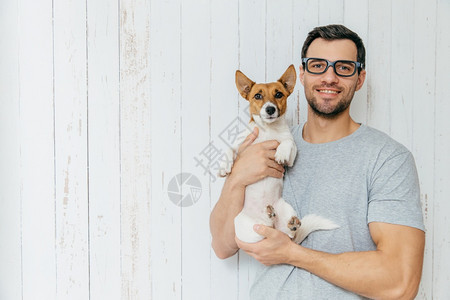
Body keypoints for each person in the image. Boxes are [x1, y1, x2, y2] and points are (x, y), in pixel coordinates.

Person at [209, 24, 425, 300]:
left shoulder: (388, 159)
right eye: (318, 65)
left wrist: (292, 254)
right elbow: (222, 246)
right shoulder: (263, 144)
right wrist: (237, 177)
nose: (329, 77)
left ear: (360, 78)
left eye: (344, 67)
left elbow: (400, 283)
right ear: (301, 75)